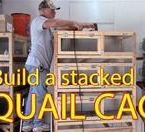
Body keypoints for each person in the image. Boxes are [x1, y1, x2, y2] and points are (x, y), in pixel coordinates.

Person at [22, 0, 95, 131]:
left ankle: (28, 123)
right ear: (43, 10)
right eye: (52, 10)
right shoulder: (39, 20)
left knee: (35, 93)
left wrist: (84, 25)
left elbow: (61, 27)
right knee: (39, 94)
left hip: (36, 65)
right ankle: (37, 124)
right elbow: (56, 23)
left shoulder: (47, 27)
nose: (54, 12)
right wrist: (73, 22)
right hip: (38, 65)